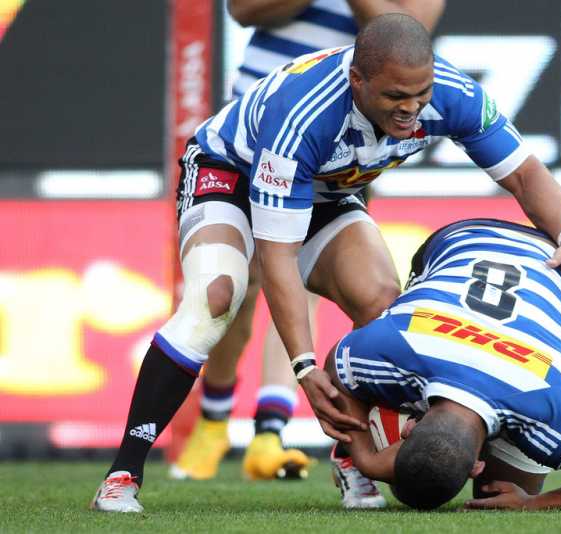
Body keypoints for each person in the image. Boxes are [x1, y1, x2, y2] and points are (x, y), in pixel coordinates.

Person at [91, 14, 561, 513]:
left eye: (420, 94)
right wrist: (305, 366)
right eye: (395, 97)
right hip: (230, 175)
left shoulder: (453, 94)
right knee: (215, 298)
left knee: (384, 306)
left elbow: (526, 176)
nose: (410, 109)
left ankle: (352, 455)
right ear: (357, 80)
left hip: (325, 192)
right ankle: (122, 474)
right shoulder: (305, 115)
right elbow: (279, 257)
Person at [169, 0, 445, 509]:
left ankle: (271, 429)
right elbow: (244, 10)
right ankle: (215, 416)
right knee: (239, 287)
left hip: (351, 132)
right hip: (262, 125)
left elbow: (409, 29)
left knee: (308, 276)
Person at [321, 218, 561, 510]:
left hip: (518, 253)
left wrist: (532, 503)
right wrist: (363, 455)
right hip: (466, 246)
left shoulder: (559, 416)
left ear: (409, 427)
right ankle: (376, 441)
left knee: (449, 486)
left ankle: (387, 428)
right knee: (442, 478)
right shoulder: (392, 346)